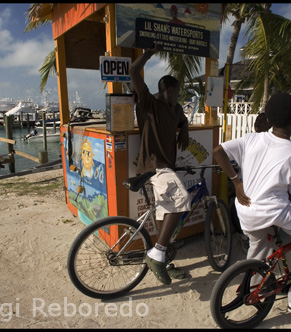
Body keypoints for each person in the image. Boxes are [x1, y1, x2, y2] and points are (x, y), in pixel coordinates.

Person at [212, 92, 291, 314]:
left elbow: (217, 151)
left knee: (260, 245)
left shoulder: (251, 139)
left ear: (270, 118)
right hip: (274, 212)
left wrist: (237, 182)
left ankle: (255, 286)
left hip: (245, 210)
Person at [130, 45, 190, 285]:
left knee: (167, 215)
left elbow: (182, 117)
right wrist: (147, 55)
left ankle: (162, 257)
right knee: (182, 199)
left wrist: (184, 129)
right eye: (177, 92)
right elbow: (134, 73)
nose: (179, 96)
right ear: (169, 89)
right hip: (154, 167)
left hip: (166, 168)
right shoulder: (149, 104)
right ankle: (156, 254)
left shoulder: (174, 109)